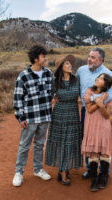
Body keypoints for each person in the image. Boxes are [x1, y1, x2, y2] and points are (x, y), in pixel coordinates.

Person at [12, 45, 53, 187]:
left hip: (45, 116)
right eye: (43, 56)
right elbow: (17, 98)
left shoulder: (49, 73)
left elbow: (54, 92)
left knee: (40, 145)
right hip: (30, 117)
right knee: (24, 146)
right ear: (36, 59)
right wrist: (20, 117)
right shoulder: (23, 76)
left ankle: (38, 169)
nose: (46, 59)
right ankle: (19, 172)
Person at [76, 47, 112, 179]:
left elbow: (109, 95)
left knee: (102, 139)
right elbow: (75, 87)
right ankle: (90, 169)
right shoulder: (81, 70)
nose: (89, 59)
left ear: (101, 60)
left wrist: (91, 99)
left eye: (93, 57)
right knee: (88, 137)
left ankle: (104, 172)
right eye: (89, 56)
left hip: (102, 111)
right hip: (86, 110)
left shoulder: (107, 73)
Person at [45, 55, 83, 186]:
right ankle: (63, 173)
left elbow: (82, 94)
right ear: (61, 67)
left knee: (69, 142)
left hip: (73, 113)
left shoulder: (76, 79)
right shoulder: (55, 82)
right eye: (67, 64)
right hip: (59, 114)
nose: (70, 65)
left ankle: (63, 168)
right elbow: (48, 96)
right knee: (62, 142)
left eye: (70, 64)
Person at [81, 73, 112, 192]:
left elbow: (107, 116)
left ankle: (104, 177)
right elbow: (89, 110)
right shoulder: (89, 91)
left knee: (104, 152)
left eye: (100, 79)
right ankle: (94, 178)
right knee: (93, 152)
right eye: (97, 77)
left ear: (106, 83)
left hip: (103, 126)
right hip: (91, 125)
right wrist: (100, 101)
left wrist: (101, 105)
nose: (97, 79)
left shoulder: (108, 95)